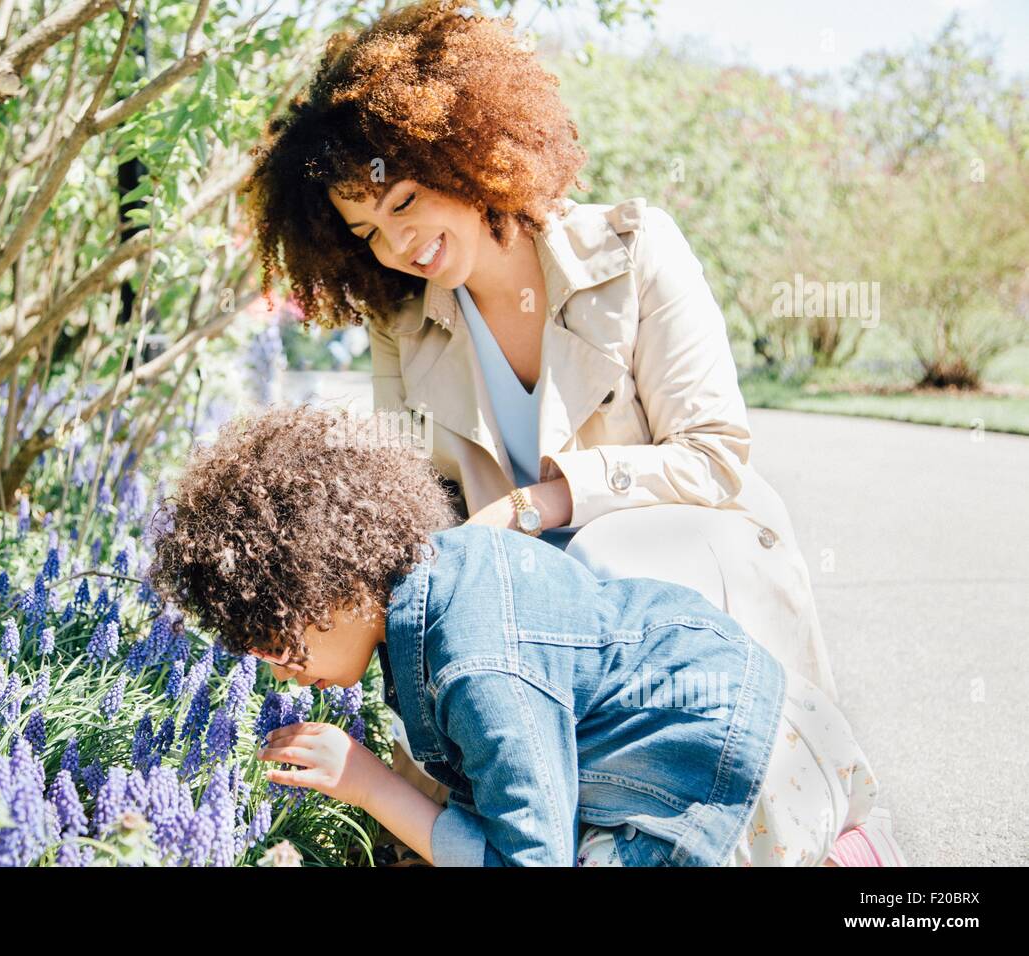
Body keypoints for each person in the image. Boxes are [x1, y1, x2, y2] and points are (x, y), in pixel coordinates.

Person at [239, 1, 840, 807]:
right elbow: (410, 504)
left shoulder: (635, 254)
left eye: (405, 200)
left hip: (695, 567)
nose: (396, 243)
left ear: (461, 153)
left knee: (599, 563)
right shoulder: (400, 324)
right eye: (367, 229)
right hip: (528, 613)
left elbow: (714, 455)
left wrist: (535, 506)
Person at [147, 405, 903, 866]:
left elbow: (529, 862)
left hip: (733, 789)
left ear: (335, 586)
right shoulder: (461, 565)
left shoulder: (477, 669)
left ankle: (828, 856)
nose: (276, 671)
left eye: (278, 641)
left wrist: (366, 784)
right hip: (786, 726)